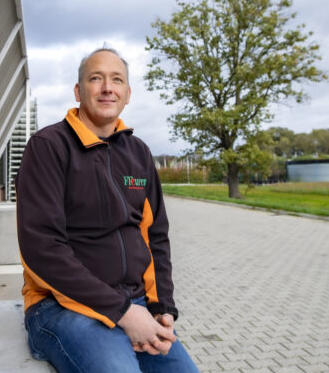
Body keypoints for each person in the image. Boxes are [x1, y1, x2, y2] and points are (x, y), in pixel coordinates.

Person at [15, 47, 199, 373]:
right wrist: (123, 313)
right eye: (95, 78)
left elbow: (155, 237)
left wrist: (161, 307)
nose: (107, 88)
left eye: (116, 80)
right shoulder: (48, 147)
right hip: (61, 307)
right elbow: (41, 248)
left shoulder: (138, 152)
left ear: (128, 94)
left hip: (135, 304)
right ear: (78, 91)